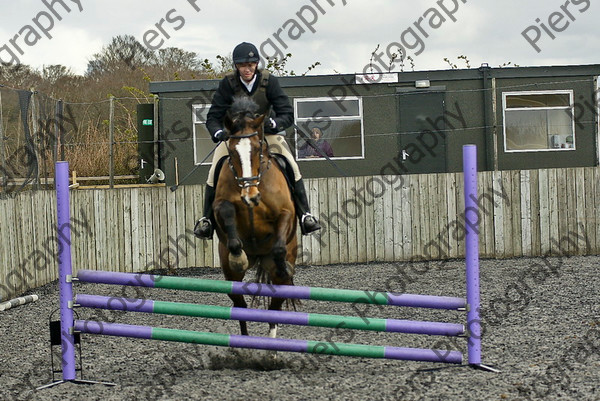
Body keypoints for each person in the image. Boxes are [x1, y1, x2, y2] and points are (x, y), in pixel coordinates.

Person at [193, 42, 321, 239]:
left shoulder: (269, 81)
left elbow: (287, 113)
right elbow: (213, 117)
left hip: (266, 134)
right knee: (214, 170)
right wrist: (218, 133)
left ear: (256, 64)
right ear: (236, 66)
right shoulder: (227, 83)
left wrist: (273, 123)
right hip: (236, 137)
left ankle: (305, 215)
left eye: (251, 64)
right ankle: (206, 220)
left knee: (291, 164)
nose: (247, 69)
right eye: (243, 65)